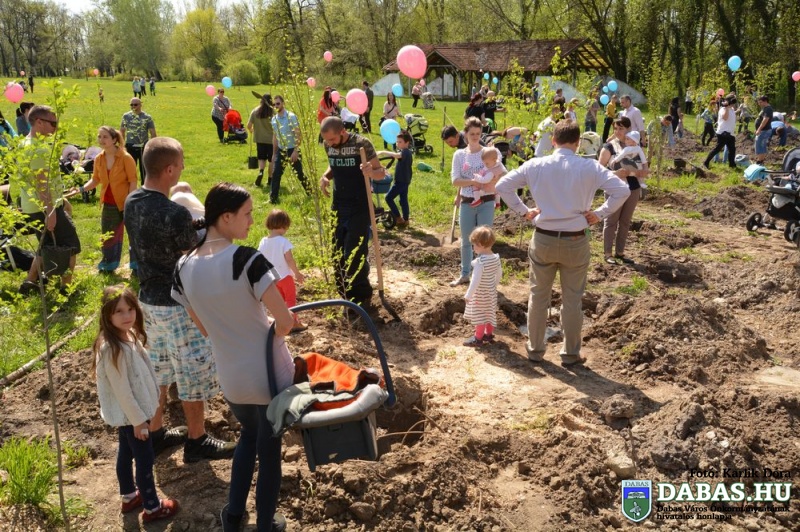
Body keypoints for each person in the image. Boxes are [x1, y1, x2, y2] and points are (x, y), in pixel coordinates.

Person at [171, 183, 293, 532]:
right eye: (247, 214)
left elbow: (204, 328)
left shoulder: (183, 266)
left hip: (231, 376)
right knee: (269, 450)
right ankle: (266, 524)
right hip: (268, 373)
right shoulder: (247, 260)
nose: (252, 221)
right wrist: (271, 328)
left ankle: (233, 516)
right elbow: (285, 323)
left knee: (248, 436)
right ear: (226, 217)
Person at [124, 137, 236, 462]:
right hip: (178, 305)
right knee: (191, 372)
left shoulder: (132, 201)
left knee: (158, 370)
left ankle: (156, 433)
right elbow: (193, 253)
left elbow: (167, 233)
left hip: (148, 301)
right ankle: (197, 441)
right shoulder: (173, 213)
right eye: (181, 162)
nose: (184, 167)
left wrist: (196, 222)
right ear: (170, 170)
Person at [495, 120, 630, 366]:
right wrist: (599, 214)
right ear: (578, 143)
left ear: (553, 141)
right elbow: (622, 191)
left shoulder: (536, 164)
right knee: (572, 300)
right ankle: (570, 354)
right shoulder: (590, 167)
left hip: (544, 238)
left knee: (538, 296)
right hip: (575, 240)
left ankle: (535, 350)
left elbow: (502, 185)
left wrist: (524, 211)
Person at [92, 285, 180, 523]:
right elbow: (122, 391)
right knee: (144, 460)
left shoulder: (126, 336)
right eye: (119, 311)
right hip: (134, 415)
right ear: (107, 315)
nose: (127, 315)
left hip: (131, 415)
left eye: (130, 309)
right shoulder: (113, 349)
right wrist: (139, 422)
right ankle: (152, 507)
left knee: (125, 453)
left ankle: (129, 496)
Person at [319, 116, 386, 306]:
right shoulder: (329, 146)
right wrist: (325, 176)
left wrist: (371, 172)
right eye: (326, 140)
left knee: (354, 253)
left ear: (342, 131)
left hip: (359, 205)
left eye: (332, 139)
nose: (329, 144)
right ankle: (344, 294)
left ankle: (361, 296)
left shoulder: (361, 144)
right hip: (338, 204)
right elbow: (334, 165)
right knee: (337, 252)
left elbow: (381, 172)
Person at [17, 105, 81, 295]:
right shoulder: (38, 149)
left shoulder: (25, 143)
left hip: (33, 206)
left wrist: (61, 200)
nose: (56, 127)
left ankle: (30, 281)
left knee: (45, 246)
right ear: (39, 122)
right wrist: (51, 211)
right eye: (53, 123)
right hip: (45, 207)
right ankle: (66, 290)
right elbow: (41, 184)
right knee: (71, 245)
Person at [449, 117, 503, 287]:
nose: (475, 136)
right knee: (466, 240)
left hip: (486, 201)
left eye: (478, 133)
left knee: (484, 241)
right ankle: (465, 274)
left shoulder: (489, 152)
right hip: (467, 202)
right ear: (465, 134)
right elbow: (455, 180)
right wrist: (473, 182)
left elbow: (500, 172)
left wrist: (492, 181)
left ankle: (481, 277)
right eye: (472, 133)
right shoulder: (459, 155)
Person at [76, 126, 137, 273]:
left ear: (114, 139)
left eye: (105, 137)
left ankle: (137, 266)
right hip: (109, 203)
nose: (101, 140)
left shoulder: (126, 157)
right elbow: (95, 180)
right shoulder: (99, 158)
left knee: (134, 235)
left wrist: (130, 202)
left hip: (127, 202)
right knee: (108, 235)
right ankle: (108, 265)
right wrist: (80, 189)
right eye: (99, 136)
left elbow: (133, 181)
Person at [598, 117, 649, 265]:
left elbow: (644, 167)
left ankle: (620, 252)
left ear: (628, 129)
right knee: (611, 221)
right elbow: (598, 170)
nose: (618, 131)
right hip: (614, 189)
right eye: (615, 128)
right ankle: (608, 253)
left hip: (633, 187)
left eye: (621, 128)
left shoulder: (635, 146)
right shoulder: (609, 147)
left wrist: (642, 173)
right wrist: (616, 173)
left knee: (625, 221)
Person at [257, 208, 307, 333]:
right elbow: (289, 260)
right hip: (285, 277)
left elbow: (260, 259)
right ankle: (293, 323)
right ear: (284, 225)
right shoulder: (283, 242)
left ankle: (281, 322)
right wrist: (297, 273)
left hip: (273, 278)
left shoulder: (263, 241)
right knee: (290, 300)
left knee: (280, 302)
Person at [462, 226, 501, 347]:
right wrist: (493, 285)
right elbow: (499, 274)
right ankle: (488, 335)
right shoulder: (496, 258)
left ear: (480, 244)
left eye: (474, 245)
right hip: (491, 293)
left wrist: (468, 295)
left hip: (480, 294)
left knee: (479, 316)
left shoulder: (480, 262)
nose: (473, 247)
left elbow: (475, 281)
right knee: (489, 313)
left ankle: (478, 339)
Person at [270, 95, 309, 203]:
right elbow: (275, 137)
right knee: (275, 173)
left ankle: (310, 192)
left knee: (299, 173)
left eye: (278, 103)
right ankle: (273, 199)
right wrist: (274, 153)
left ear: (283, 103)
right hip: (281, 150)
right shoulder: (274, 119)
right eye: (274, 104)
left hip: (292, 150)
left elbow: (298, 135)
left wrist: (296, 151)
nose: (276, 106)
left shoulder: (291, 117)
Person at [377, 130, 414, 226]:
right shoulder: (405, 152)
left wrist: (383, 152)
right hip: (405, 180)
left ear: (407, 142)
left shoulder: (405, 152)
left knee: (388, 198)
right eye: (397, 141)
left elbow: (398, 155)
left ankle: (398, 218)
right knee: (403, 200)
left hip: (401, 182)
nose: (397, 143)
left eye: (400, 142)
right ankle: (406, 219)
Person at [120, 98, 157, 185]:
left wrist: (151, 147)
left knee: (144, 170)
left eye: (135, 104)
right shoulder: (126, 116)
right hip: (130, 146)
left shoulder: (147, 117)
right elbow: (122, 131)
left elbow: (153, 133)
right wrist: (122, 146)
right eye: (131, 105)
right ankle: (129, 188)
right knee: (129, 170)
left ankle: (145, 187)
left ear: (140, 105)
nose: (133, 106)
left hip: (143, 147)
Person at [703, 93, 737, 170]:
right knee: (717, 149)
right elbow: (725, 118)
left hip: (730, 133)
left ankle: (732, 165)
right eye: (732, 101)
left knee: (732, 150)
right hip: (723, 133)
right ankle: (706, 162)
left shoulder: (732, 110)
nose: (734, 103)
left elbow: (733, 119)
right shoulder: (723, 109)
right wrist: (727, 107)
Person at [247, 93, 275, 187]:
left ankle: (261, 171)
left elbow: (249, 125)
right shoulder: (273, 112)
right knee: (271, 160)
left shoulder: (255, 111)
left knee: (262, 158)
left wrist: (252, 130)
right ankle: (270, 179)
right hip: (271, 140)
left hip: (259, 139)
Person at [754, 95, 774, 163]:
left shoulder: (768, 109)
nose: (759, 104)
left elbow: (765, 120)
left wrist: (759, 129)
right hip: (762, 130)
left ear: (765, 101)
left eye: (760, 102)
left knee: (760, 145)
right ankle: (761, 160)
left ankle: (760, 161)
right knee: (761, 145)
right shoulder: (765, 108)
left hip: (764, 130)